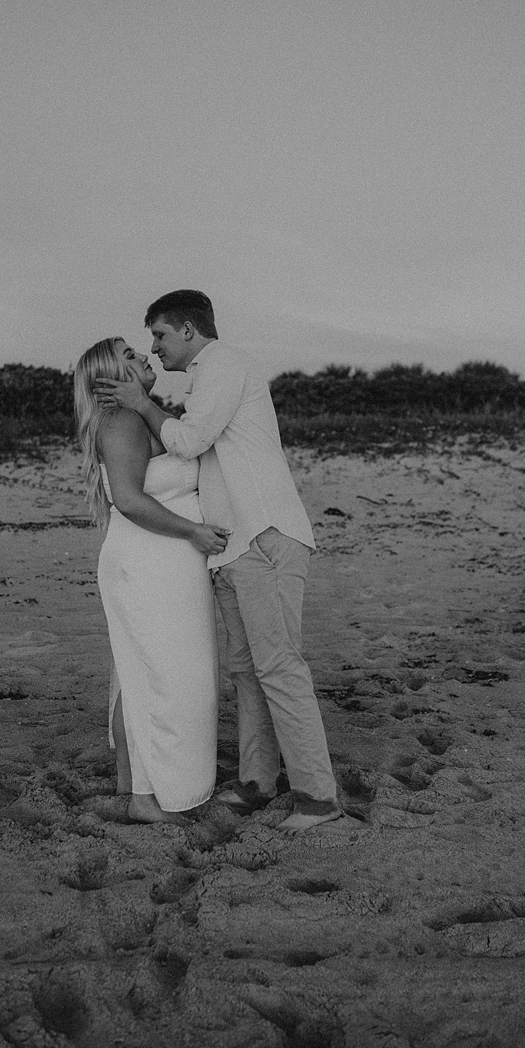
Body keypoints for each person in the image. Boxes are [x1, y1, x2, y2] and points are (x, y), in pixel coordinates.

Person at [95, 291, 341, 833]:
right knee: (246, 672)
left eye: (159, 336)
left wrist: (141, 404)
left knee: (278, 667)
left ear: (186, 330)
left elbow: (189, 439)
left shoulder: (225, 365)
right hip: (231, 547)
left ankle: (318, 798)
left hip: (265, 537)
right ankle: (257, 780)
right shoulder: (201, 380)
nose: (154, 350)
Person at [74, 337, 230, 823]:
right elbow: (128, 498)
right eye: (129, 356)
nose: (143, 356)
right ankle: (144, 795)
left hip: (170, 563)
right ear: (108, 376)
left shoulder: (144, 414)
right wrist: (194, 531)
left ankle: (141, 786)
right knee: (154, 677)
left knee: (159, 675)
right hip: (146, 561)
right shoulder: (120, 422)